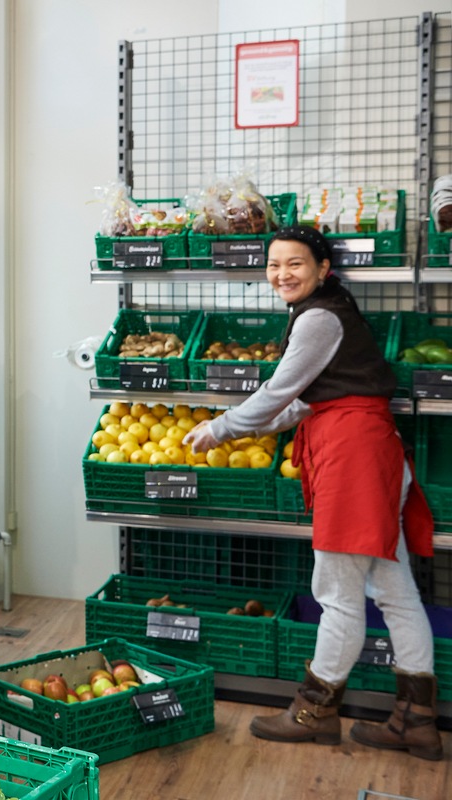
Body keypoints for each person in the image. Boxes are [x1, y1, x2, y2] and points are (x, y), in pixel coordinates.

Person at [183, 225, 442, 760]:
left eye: (295, 264)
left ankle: (314, 711)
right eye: (274, 265)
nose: (282, 274)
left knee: (337, 591)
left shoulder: (319, 316)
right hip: (366, 451)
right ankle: (416, 719)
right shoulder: (327, 311)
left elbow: (281, 387)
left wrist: (222, 427)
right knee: (394, 590)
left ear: (323, 268)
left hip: (354, 461)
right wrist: (268, 425)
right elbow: (320, 396)